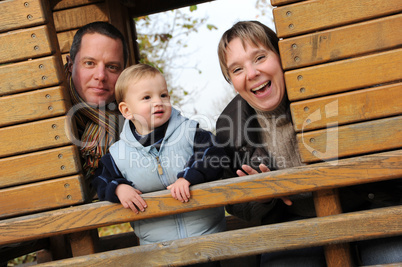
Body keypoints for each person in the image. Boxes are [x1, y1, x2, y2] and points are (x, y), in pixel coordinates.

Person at [215, 21, 402, 266]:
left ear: (282, 57)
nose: (251, 74)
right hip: (296, 224)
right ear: (232, 81)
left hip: (370, 204)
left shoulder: (330, 91)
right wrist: (261, 196)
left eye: (260, 58)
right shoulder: (230, 129)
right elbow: (237, 203)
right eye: (237, 70)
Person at [93, 64, 226, 252]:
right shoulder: (118, 154)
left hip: (206, 237)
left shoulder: (189, 132)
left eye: (163, 95)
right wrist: (118, 188)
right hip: (158, 247)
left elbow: (214, 153)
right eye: (147, 97)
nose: (158, 101)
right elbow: (100, 179)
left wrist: (188, 176)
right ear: (126, 111)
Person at [65, 21, 129, 199]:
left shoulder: (134, 123)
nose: (100, 76)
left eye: (112, 67)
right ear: (70, 65)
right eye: (89, 63)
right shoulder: (45, 109)